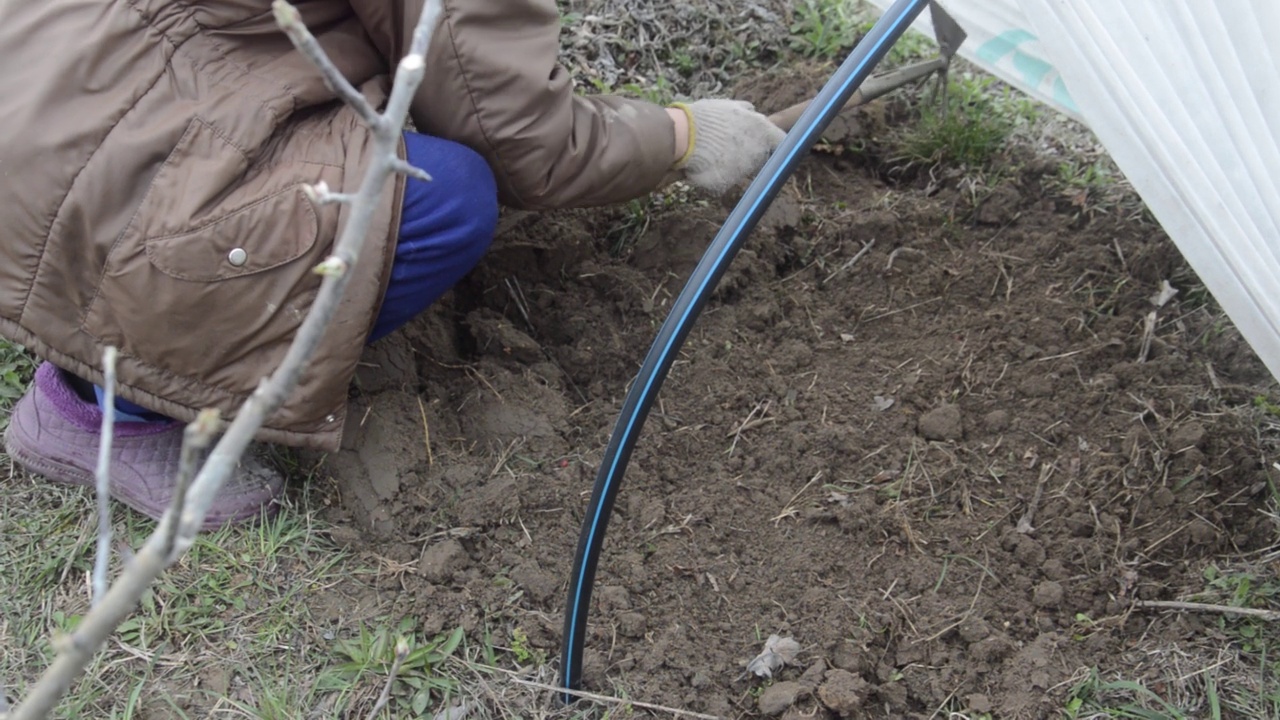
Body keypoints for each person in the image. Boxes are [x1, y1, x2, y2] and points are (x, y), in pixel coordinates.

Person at [0, 0, 785, 528]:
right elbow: (521, 143)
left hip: (42, 90)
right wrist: (685, 136)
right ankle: (99, 414)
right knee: (449, 195)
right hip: (119, 174)